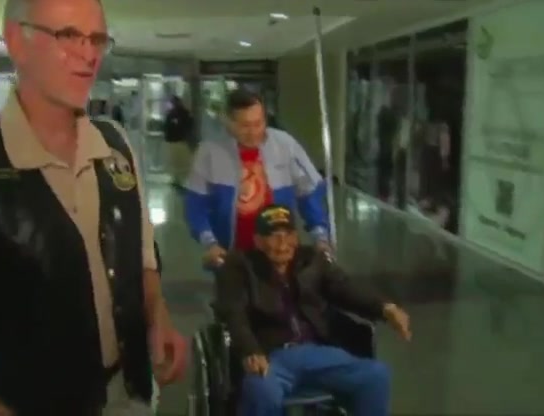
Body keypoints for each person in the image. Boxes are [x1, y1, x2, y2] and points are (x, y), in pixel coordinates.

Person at [0, 0, 186, 415]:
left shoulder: (115, 145)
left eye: (96, 39)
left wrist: (157, 314)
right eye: (68, 36)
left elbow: (141, 255)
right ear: (16, 42)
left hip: (127, 396)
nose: (88, 54)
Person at [215, 204, 412, 416]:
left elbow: (345, 289)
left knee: (376, 376)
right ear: (258, 241)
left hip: (319, 351)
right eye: (274, 236)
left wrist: (385, 308)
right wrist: (250, 350)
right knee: (260, 389)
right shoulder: (240, 267)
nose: (283, 243)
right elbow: (234, 312)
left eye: (288, 235)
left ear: (296, 237)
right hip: (272, 356)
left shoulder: (311, 260)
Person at [185, 89, 329, 267]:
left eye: (258, 123)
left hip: (280, 250)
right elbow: (196, 206)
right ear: (228, 122)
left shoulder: (285, 145)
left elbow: (309, 194)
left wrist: (320, 235)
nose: (253, 132)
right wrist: (210, 243)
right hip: (230, 253)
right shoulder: (208, 152)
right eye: (245, 126)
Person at [163, 96, 193, 186]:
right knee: (178, 162)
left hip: (177, 140)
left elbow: (167, 126)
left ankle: (178, 179)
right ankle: (178, 179)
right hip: (179, 140)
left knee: (178, 162)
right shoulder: (178, 113)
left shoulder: (178, 114)